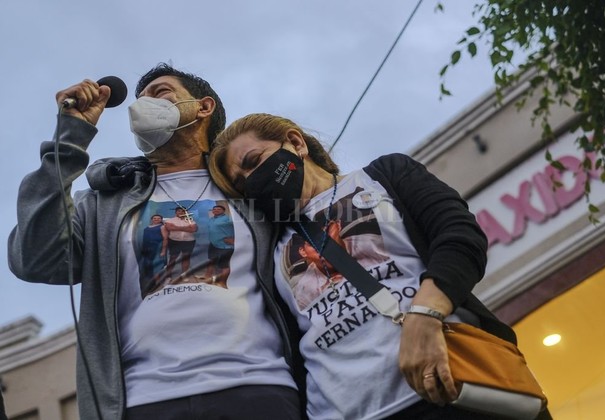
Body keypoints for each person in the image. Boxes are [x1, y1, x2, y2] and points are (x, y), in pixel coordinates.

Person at [7, 66, 303, 420]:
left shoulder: (247, 188)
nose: (142, 106)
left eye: (160, 93)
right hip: (143, 400)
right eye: (139, 100)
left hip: (259, 388)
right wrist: (69, 139)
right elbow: (35, 259)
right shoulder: (103, 205)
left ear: (204, 107)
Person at [209, 113, 546, 420]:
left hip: (451, 385)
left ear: (296, 143)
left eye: (254, 162)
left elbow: (460, 237)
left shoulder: (384, 176)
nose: (252, 180)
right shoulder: (269, 249)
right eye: (241, 183)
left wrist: (426, 315)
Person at [195, 204, 235, 288]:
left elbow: (238, 227)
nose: (216, 210)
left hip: (225, 246)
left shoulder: (228, 219)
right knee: (211, 261)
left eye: (218, 209)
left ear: (223, 211)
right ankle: (207, 277)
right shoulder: (211, 219)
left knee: (225, 265)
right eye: (214, 209)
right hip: (213, 244)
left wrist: (234, 239)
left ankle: (223, 283)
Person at [140, 214, 165, 282]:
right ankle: (150, 278)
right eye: (154, 218)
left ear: (161, 220)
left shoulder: (162, 227)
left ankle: (158, 281)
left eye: (158, 218)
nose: (156, 219)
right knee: (146, 263)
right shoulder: (147, 227)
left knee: (156, 264)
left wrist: (163, 250)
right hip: (146, 247)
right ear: (152, 219)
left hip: (156, 247)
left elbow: (165, 239)